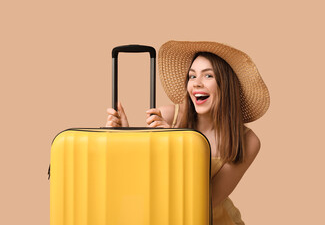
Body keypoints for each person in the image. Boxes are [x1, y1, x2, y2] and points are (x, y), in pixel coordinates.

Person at [105, 40, 270, 224]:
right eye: (192, 76)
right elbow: (138, 180)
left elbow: (205, 202)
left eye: (208, 76)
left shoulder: (248, 141)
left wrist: (178, 145)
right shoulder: (168, 116)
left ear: (226, 84)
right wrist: (122, 139)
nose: (197, 84)